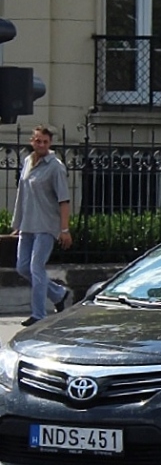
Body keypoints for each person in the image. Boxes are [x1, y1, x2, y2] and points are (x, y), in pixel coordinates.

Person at [12, 125, 73, 327]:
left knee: (36, 267)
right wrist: (18, 223)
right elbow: (22, 194)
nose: (41, 145)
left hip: (47, 226)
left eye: (45, 142)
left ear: (50, 143)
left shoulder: (55, 166)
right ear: (32, 141)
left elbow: (63, 200)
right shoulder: (28, 161)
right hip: (28, 224)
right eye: (38, 141)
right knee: (22, 267)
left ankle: (38, 315)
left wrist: (64, 230)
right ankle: (59, 294)